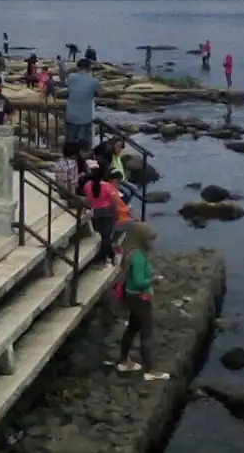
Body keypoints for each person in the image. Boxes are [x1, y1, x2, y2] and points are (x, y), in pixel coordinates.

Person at [115, 222, 169, 381]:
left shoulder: (131, 252)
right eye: (149, 239)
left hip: (131, 297)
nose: (151, 243)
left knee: (132, 328)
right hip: (140, 298)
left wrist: (151, 275)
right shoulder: (138, 258)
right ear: (140, 239)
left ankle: (123, 361)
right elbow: (139, 281)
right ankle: (150, 370)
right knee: (146, 334)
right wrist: (153, 280)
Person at [81, 159, 119, 264]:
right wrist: (116, 213)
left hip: (96, 213)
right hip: (107, 212)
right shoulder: (107, 186)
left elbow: (87, 200)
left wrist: (84, 210)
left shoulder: (87, 185)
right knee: (106, 237)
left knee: (103, 236)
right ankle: (102, 257)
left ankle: (110, 255)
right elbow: (114, 201)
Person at [64, 59, 100, 148]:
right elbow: (97, 92)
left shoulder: (71, 77)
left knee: (70, 142)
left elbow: (68, 85)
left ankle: (69, 155)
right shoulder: (94, 81)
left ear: (77, 67)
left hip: (71, 114)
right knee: (84, 144)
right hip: (85, 117)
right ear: (89, 68)